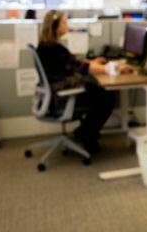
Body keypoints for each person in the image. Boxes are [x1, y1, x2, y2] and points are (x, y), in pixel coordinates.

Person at [37, 10, 132, 152]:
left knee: (99, 92)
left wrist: (93, 61)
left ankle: (84, 131)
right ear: (56, 27)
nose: (67, 24)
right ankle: (87, 134)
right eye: (64, 22)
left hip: (58, 91)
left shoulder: (46, 46)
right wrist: (111, 67)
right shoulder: (54, 49)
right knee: (106, 98)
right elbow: (82, 68)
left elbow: (73, 62)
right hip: (63, 95)